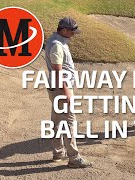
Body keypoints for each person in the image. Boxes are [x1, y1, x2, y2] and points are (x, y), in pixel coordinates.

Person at [45, 17, 92, 168]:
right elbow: (59, 71)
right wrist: (66, 92)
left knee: (57, 121)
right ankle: (74, 158)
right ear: (64, 30)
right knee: (70, 121)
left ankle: (58, 153)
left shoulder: (55, 40)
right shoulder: (57, 46)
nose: (74, 34)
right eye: (72, 32)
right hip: (61, 88)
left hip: (56, 88)